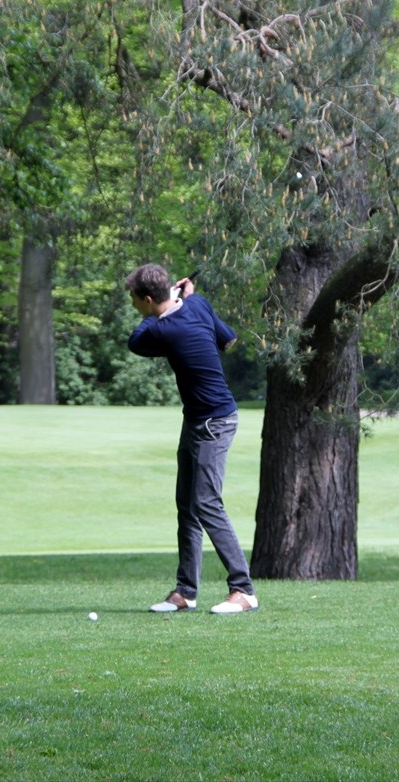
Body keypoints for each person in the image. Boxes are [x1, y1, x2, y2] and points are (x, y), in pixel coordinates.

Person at [125, 263, 258, 615]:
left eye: (135, 299)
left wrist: (170, 303)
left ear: (149, 299)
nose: (133, 305)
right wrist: (187, 299)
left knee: (206, 503)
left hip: (214, 423)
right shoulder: (196, 306)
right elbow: (228, 339)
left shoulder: (163, 328)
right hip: (198, 419)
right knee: (187, 504)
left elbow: (135, 341)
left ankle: (243, 590)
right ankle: (185, 591)